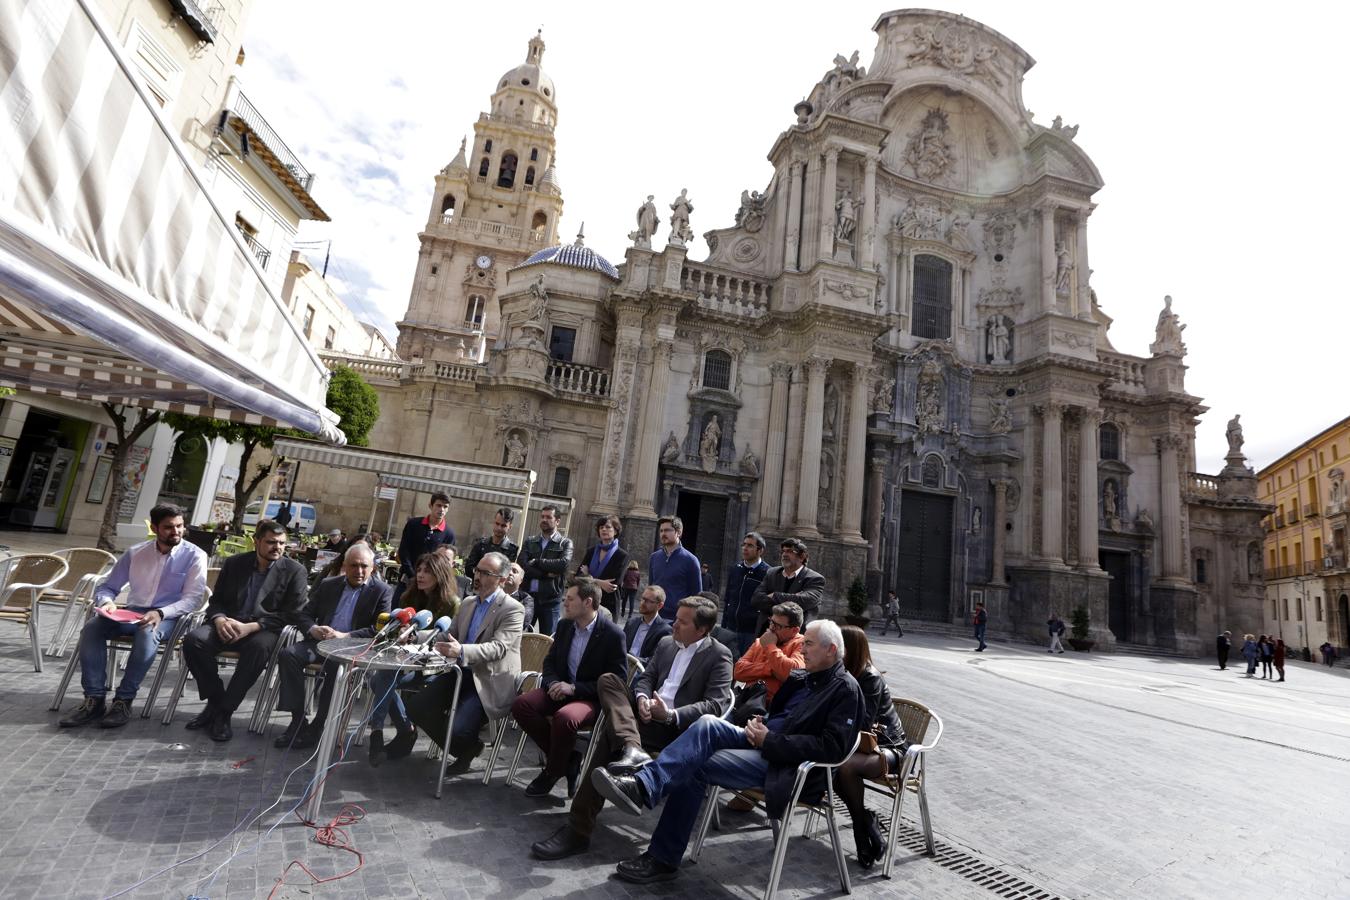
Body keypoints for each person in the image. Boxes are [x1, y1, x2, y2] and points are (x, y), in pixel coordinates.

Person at [589, 620, 865, 885]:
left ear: (831, 650)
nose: (802, 650)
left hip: (790, 767)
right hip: (765, 743)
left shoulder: (846, 690)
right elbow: (784, 715)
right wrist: (763, 724)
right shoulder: (806, 678)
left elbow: (831, 749)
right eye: (803, 643)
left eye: (809, 644)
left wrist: (770, 740)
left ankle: (661, 851)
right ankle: (645, 786)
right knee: (708, 724)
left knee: (696, 765)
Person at [531, 596, 733, 860]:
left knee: (608, 737)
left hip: (678, 731)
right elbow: (645, 678)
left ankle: (578, 830)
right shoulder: (666, 643)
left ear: (702, 629)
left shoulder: (719, 655)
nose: (673, 626)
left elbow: (715, 705)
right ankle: (631, 748)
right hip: (645, 716)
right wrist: (641, 699)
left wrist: (670, 714)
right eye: (675, 619)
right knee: (609, 680)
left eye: (682, 623)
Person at [59, 503, 209, 729]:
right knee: (92, 628)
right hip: (130, 614)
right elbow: (107, 587)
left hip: (170, 618)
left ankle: (123, 700)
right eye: (169, 527)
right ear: (156, 528)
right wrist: (107, 603)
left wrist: (160, 612)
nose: (176, 531)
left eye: (179, 526)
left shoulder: (195, 555)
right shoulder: (136, 553)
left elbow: (192, 600)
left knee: (147, 632)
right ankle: (94, 699)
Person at [180, 519, 309, 741]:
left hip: (263, 629)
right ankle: (215, 700)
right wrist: (220, 620)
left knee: (258, 648)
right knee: (193, 640)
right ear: (256, 541)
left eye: (281, 543)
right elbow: (216, 600)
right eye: (271, 542)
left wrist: (252, 626)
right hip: (228, 624)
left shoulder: (294, 571)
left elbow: (293, 613)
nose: (277, 547)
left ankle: (224, 712)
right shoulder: (235, 564)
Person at [402, 551, 525, 774]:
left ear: (502, 580)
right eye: (477, 570)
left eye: (485, 573)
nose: (477, 576)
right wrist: (414, 635)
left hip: (488, 680)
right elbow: (447, 635)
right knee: (416, 707)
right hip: (459, 671)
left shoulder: (512, 609)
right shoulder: (468, 603)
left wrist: (461, 650)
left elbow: (498, 648)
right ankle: (467, 748)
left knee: (458, 729)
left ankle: (464, 743)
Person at [510, 578, 626, 798]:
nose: (565, 603)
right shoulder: (564, 626)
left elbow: (616, 681)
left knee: (565, 717)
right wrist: (552, 683)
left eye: (570, 599)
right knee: (521, 705)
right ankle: (569, 760)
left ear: (588, 602)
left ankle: (552, 772)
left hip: (589, 698)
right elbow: (550, 662)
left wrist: (573, 689)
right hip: (558, 690)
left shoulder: (612, 634)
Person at [273, 543, 393, 748]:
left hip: (351, 648)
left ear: (373, 567)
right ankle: (298, 720)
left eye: (364, 566)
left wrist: (345, 635)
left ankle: (318, 725)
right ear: (345, 566)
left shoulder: (382, 591)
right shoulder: (330, 584)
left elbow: (380, 630)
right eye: (354, 565)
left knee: (337, 668)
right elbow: (304, 614)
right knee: (287, 655)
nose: (359, 571)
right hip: (320, 642)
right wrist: (313, 629)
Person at [362, 551, 461, 759]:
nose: (421, 575)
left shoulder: (452, 604)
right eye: (419, 570)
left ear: (440, 574)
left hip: (435, 667)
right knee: (379, 678)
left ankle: (395, 731)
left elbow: (449, 637)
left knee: (383, 678)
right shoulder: (409, 597)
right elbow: (396, 627)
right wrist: (397, 632)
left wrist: (417, 639)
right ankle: (389, 731)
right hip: (404, 661)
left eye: (427, 571)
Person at [834, 626, 907, 870]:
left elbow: (863, 723)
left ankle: (859, 830)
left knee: (844, 768)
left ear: (850, 648)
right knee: (831, 767)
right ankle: (866, 821)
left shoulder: (870, 678)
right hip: (860, 746)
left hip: (888, 748)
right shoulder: (843, 672)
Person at [733, 601, 805, 707]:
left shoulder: (802, 643)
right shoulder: (762, 641)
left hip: (777, 708)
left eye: (778, 626)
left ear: (795, 630)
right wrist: (770, 669)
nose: (771, 628)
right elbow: (738, 671)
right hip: (747, 702)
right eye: (771, 622)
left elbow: (791, 674)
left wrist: (770, 647)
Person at [750, 538, 825, 633]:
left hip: (795, 635)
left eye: (790, 551)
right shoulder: (772, 573)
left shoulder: (815, 578)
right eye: (783, 551)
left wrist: (774, 596)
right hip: (767, 631)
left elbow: (806, 600)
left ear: (802, 556)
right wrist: (793, 599)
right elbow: (756, 599)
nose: (784, 554)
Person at [519, 504, 574, 634]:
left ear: (557, 521)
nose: (544, 520)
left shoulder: (565, 543)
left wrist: (537, 562)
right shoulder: (530, 541)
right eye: (542, 516)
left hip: (550, 600)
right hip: (528, 597)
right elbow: (522, 564)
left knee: (548, 641)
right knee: (520, 636)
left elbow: (563, 564)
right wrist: (545, 574)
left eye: (549, 517)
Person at [394, 492, 455, 601]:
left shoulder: (449, 534)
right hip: (406, 581)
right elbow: (404, 551)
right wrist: (413, 575)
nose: (442, 509)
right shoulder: (413, 524)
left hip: (430, 588)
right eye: (439, 505)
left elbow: (445, 562)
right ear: (430, 506)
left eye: (445, 507)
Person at [722, 531, 769, 656]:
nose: (745, 548)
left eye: (750, 545)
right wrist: (724, 625)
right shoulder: (735, 569)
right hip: (730, 629)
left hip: (751, 632)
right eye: (744, 545)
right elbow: (728, 598)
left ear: (760, 550)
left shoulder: (768, 573)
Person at [577, 515, 631, 620]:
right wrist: (600, 582)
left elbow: (613, 584)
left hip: (608, 605)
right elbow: (578, 576)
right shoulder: (591, 551)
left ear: (615, 531)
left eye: (608, 527)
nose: (604, 529)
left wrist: (588, 576)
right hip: (587, 601)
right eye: (601, 527)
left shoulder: (622, 555)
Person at [648, 516, 701, 621]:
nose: (663, 534)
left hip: (676, 620)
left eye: (667, 530)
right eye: (661, 531)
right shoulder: (654, 557)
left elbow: (696, 595)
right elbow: (651, 587)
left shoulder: (691, 560)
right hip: (654, 616)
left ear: (679, 532)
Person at [463, 507, 520, 575]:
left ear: (510, 527)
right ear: (493, 522)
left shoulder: (512, 549)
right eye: (497, 523)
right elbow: (468, 569)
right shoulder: (480, 544)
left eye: (503, 526)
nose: (499, 528)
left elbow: (505, 574)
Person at [624, 586, 672, 662]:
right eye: (642, 598)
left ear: (660, 605)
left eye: (647, 601)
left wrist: (632, 661)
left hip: (642, 671)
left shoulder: (665, 631)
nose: (642, 603)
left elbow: (655, 661)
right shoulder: (631, 623)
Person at [503, 561, 535, 635]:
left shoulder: (526, 599)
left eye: (514, 571)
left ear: (521, 580)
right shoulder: (493, 591)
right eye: (507, 570)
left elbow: (522, 622)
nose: (510, 573)